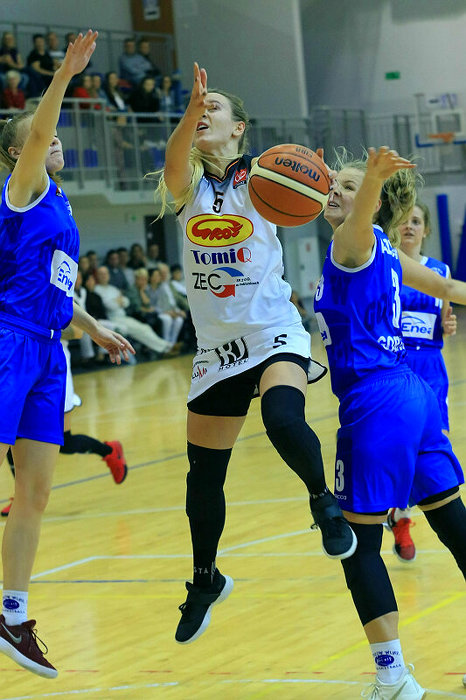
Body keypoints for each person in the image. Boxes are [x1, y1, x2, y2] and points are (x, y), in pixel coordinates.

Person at [155, 62, 356, 645]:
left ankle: (323, 503)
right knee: (203, 477)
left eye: (213, 108)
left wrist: (317, 178)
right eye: (199, 109)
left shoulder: (265, 176)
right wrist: (189, 111)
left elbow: (312, 193)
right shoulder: (188, 186)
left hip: (272, 329)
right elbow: (173, 160)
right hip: (216, 347)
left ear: (239, 127)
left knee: (282, 417)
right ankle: (205, 579)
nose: (204, 114)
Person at [0, 30, 135, 679]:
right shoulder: (21, 187)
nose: (52, 140)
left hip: (50, 348)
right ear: (18, 152)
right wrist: (62, 78)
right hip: (9, 340)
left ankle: (12, 613)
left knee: (35, 491)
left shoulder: (59, 202)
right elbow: (37, 132)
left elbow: (54, 283)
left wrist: (93, 326)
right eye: (41, 135)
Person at [314, 145, 466, 698]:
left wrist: (372, 180)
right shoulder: (384, 247)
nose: (336, 191)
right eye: (334, 183)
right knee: (455, 526)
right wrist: (348, 184)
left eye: (348, 186)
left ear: (373, 204)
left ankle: (392, 676)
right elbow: (448, 289)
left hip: (376, 400)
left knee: (357, 544)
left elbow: (360, 215)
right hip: (413, 395)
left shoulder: (352, 241)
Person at [386, 201, 457, 563]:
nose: (410, 226)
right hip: (398, 364)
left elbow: (442, 322)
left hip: (431, 367)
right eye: (404, 220)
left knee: (432, 447)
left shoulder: (441, 272)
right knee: (402, 448)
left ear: (426, 230)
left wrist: (447, 326)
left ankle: (401, 514)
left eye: (416, 221)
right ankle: (399, 515)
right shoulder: (387, 265)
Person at [2, 323, 128, 516]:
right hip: (17, 366)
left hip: (53, 369)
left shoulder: (60, 302)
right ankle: (20, 496)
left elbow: (77, 332)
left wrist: (33, 326)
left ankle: (109, 451)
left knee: (65, 442)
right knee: (12, 435)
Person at [94, 265, 176, 357]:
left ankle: (166, 347)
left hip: (123, 317)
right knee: (141, 330)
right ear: (97, 276)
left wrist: (118, 301)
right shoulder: (97, 289)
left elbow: (126, 301)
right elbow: (109, 305)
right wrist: (118, 301)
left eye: (106, 273)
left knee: (145, 328)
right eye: (101, 274)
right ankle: (166, 348)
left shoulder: (113, 288)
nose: (104, 276)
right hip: (112, 319)